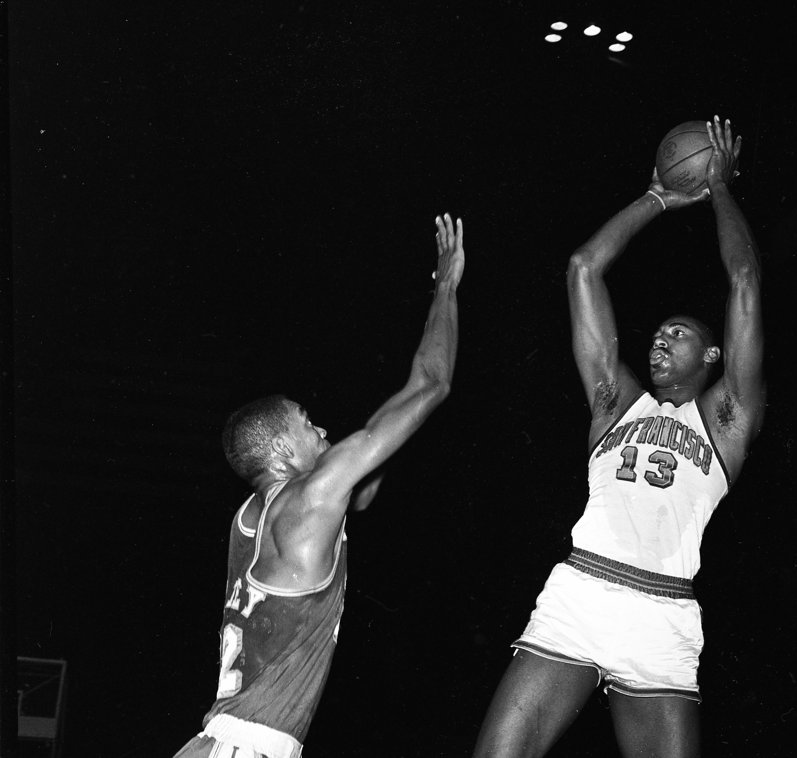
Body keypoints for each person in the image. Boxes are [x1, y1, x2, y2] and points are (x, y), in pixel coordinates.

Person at [472, 117, 765, 758]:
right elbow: (583, 268)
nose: (660, 338)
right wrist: (658, 197)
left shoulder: (726, 422)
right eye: (657, 332)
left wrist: (718, 187)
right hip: (583, 594)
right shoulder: (615, 404)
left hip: (662, 615)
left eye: (680, 333)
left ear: (714, 354)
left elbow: (744, 280)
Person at [174, 213, 465, 758]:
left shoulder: (253, 516)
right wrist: (445, 284)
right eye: (308, 422)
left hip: (221, 742)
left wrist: (384, 444)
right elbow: (432, 382)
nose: (322, 429)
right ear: (282, 452)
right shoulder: (308, 501)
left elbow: (363, 491)